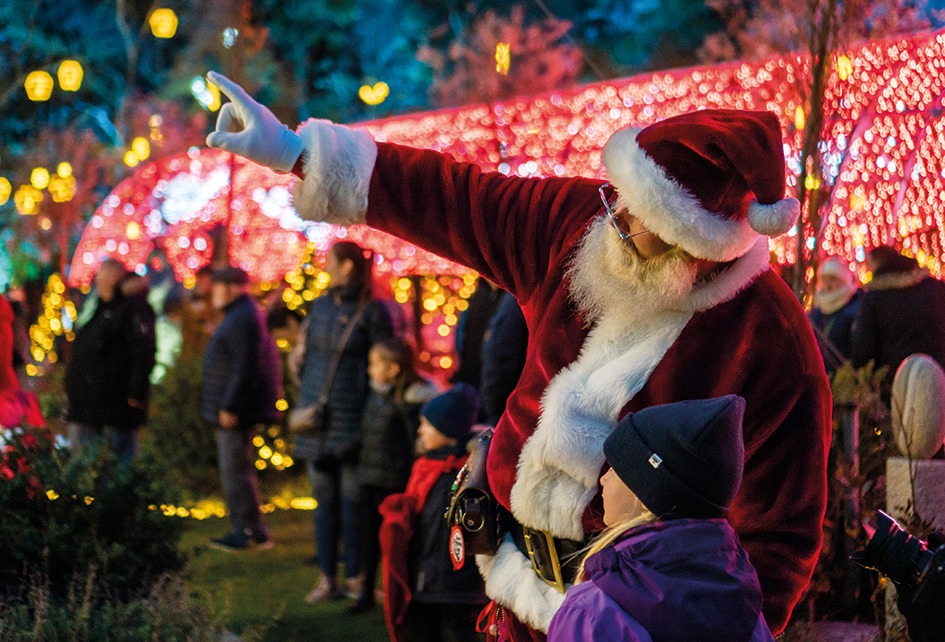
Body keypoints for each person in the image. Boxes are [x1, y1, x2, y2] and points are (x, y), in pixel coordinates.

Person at [205, 76, 832, 638]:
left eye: (638, 219)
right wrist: (297, 154)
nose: (611, 218)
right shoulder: (579, 224)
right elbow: (456, 198)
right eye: (621, 197)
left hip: (625, 616)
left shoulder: (772, 341)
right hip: (502, 575)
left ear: (694, 243)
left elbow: (780, 537)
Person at [546, 395, 773, 641]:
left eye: (616, 469)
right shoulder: (745, 611)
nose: (603, 480)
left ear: (647, 494)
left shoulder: (591, 613)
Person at [297, 241, 395, 603]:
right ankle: (327, 578)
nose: (325, 267)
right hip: (317, 420)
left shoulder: (373, 311)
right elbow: (308, 359)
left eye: (330, 262)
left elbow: (384, 365)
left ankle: (357, 576)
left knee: (355, 504)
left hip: (354, 420)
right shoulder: (320, 307)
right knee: (324, 503)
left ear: (347, 267)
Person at [378, 383, 488, 642]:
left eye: (426, 424)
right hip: (424, 583)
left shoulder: (470, 476)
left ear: (446, 430)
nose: (420, 430)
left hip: (459, 590)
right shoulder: (426, 467)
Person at [350, 337, 440, 613]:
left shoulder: (412, 401)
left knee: (400, 541)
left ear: (394, 369)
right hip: (371, 479)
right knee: (368, 539)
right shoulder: (376, 394)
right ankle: (366, 592)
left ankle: (403, 594)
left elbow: (414, 444)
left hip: (397, 482)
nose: (369, 370)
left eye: (375, 364)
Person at [202, 266, 282, 551]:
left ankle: (248, 530)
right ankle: (249, 528)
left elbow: (245, 367)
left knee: (235, 469)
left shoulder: (242, 318)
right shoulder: (243, 315)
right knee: (236, 468)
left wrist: (231, 405)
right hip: (234, 406)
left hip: (235, 409)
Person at [64, 259, 156, 464]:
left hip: (115, 404)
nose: (99, 283)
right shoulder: (104, 308)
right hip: (92, 404)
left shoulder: (131, 308)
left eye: (104, 278)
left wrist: (136, 391)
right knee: (87, 462)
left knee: (119, 463)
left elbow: (143, 351)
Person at [852, 245, 945, 392]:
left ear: (876, 265)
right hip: (938, 379)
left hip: (895, 387)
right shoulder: (936, 289)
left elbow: (863, 351)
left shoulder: (874, 299)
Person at [479, 290, 528, 426]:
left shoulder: (514, 299)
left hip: (509, 408)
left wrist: (493, 407)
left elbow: (500, 356)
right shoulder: (504, 298)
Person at [809, 256, 863, 375]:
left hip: (844, 380)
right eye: (824, 279)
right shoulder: (815, 313)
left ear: (844, 280)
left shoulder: (856, 310)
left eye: (833, 279)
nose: (827, 284)